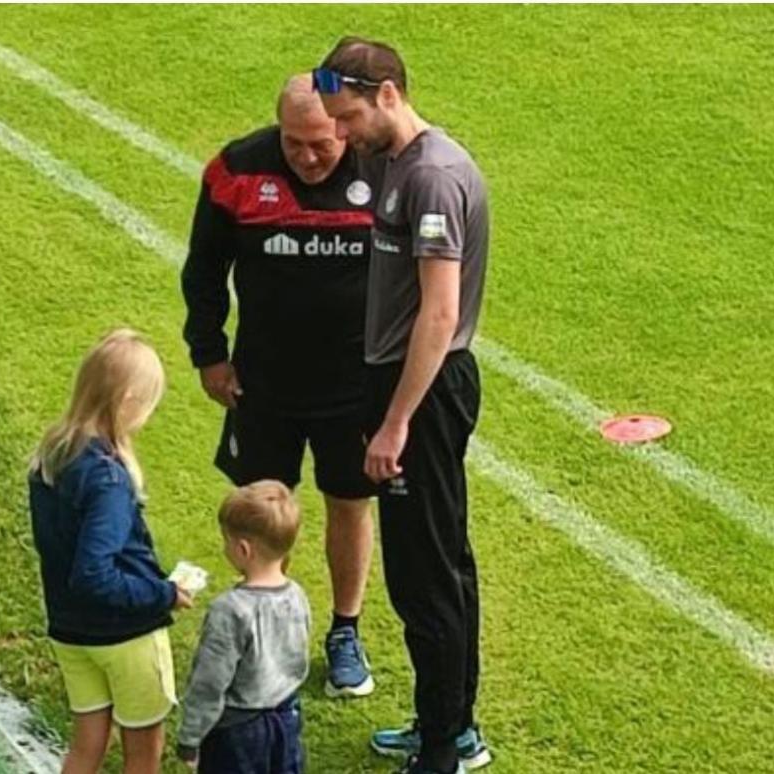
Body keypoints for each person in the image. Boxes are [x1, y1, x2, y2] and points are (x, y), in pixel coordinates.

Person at [315, 37, 493, 774]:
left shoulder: (433, 179)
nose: (343, 137)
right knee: (431, 564)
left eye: (349, 118)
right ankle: (444, 723)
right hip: (398, 384)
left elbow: (438, 315)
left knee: (428, 575)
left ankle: (447, 746)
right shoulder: (390, 162)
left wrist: (395, 422)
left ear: (388, 94)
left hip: (424, 390)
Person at [181, 74, 377, 698]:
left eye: (321, 143)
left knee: (350, 501)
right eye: (294, 143)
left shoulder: (383, 171)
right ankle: (267, 632)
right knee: (263, 509)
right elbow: (204, 270)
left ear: (344, 129)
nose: (307, 157)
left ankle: (346, 630)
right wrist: (209, 355)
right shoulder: (236, 170)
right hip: (263, 381)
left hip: (354, 385)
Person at [27, 329, 194, 774]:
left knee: (87, 745)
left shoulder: (52, 455)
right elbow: (94, 573)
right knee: (143, 754)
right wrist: (164, 594)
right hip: (126, 637)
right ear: (129, 401)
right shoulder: (109, 480)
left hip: (70, 631)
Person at [176, 480, 311, 774]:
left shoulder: (230, 610)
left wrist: (190, 738)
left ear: (243, 549)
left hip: (237, 731)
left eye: (226, 540)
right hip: (287, 716)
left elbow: (209, 682)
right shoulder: (297, 595)